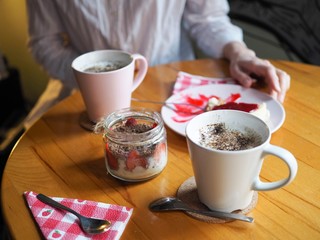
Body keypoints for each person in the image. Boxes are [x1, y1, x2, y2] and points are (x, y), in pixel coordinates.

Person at [24, 0, 290, 128]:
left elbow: (208, 20)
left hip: (172, 89)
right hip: (85, 94)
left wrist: (240, 53)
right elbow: (45, 43)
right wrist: (95, 80)